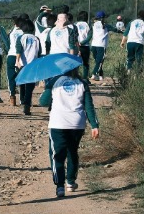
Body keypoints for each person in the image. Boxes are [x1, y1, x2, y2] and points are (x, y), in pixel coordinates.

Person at [39, 67, 100, 199]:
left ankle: (60, 186)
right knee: (72, 151)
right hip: (77, 124)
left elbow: (43, 102)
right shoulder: (82, 83)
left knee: (57, 155)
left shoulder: (54, 81)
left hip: (58, 123)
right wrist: (94, 126)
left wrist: (47, 91)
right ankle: (70, 182)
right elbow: (89, 106)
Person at [14, 18, 42, 116]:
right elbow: (39, 53)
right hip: (33, 65)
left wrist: (17, 61)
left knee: (22, 85)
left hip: (22, 64)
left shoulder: (21, 38)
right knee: (30, 87)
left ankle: (22, 101)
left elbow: (18, 50)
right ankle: (27, 105)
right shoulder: (36, 38)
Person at [87, 11, 117, 81]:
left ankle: (100, 75)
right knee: (99, 62)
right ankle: (94, 74)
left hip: (93, 46)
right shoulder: (105, 25)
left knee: (98, 62)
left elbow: (89, 35)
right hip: (101, 46)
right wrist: (124, 32)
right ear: (103, 18)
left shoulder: (93, 25)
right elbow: (115, 30)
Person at [5, 14, 27, 106]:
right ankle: (23, 99)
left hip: (11, 55)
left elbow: (7, 42)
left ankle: (12, 96)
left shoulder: (11, 31)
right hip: (22, 56)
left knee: (11, 77)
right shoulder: (24, 32)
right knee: (22, 78)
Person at [74, 11, 92, 78]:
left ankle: (75, 77)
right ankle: (85, 78)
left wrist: (77, 43)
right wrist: (82, 42)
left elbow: (73, 35)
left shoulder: (75, 24)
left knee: (76, 63)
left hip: (76, 46)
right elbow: (90, 36)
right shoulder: (88, 25)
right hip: (85, 47)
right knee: (85, 63)